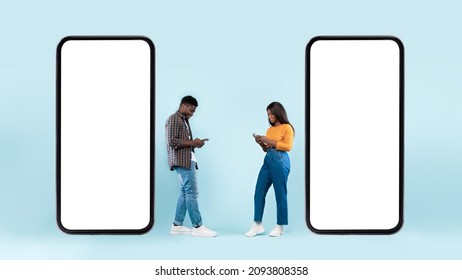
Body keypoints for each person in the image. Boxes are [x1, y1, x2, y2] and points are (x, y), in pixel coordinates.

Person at [165, 95, 217, 237]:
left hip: (187, 159)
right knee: (191, 193)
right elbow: (172, 141)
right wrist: (194, 142)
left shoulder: (184, 120)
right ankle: (198, 226)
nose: (192, 114)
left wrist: (196, 143)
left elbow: (183, 142)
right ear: (183, 106)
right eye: (191, 110)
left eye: (194, 112)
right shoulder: (174, 118)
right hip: (183, 161)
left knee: (185, 192)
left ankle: (177, 225)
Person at [245, 102, 294, 237]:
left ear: (278, 113)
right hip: (268, 160)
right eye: (268, 114)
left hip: (281, 160)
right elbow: (267, 149)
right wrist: (261, 143)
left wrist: (269, 141)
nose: (270, 116)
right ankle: (257, 224)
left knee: (280, 194)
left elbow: (288, 146)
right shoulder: (270, 130)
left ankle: (280, 226)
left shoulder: (287, 127)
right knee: (259, 192)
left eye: (271, 113)